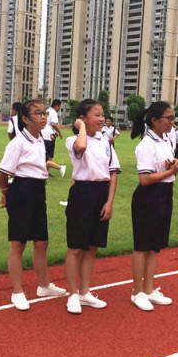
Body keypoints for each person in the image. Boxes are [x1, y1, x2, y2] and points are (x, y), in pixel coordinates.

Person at [0, 99, 67, 311]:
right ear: (25, 119)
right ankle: (17, 291)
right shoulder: (17, 143)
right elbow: (2, 173)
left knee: (41, 241)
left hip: (38, 191)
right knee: (18, 243)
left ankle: (44, 286)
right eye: (37, 113)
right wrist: (5, 194)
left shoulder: (40, 140)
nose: (43, 117)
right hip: (21, 190)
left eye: (44, 113)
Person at [64, 99, 120, 314]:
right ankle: (73, 294)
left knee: (92, 247)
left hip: (102, 193)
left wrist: (109, 202)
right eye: (97, 115)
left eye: (103, 114)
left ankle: (85, 292)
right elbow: (81, 147)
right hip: (82, 193)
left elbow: (113, 172)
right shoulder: (73, 140)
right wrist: (81, 128)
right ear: (83, 118)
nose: (102, 118)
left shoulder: (106, 140)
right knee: (76, 247)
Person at [130, 101, 178, 311]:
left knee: (154, 246)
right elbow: (144, 179)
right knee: (142, 246)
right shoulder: (146, 145)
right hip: (148, 197)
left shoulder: (166, 139)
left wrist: (172, 165)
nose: (172, 122)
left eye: (173, 118)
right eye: (169, 118)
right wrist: (170, 172)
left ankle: (149, 289)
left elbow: (164, 166)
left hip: (164, 194)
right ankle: (137, 292)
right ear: (155, 120)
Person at [41, 99, 66, 178]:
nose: (60, 108)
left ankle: (46, 172)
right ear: (56, 106)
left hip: (43, 133)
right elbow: (53, 124)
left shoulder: (47, 111)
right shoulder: (54, 113)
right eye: (60, 106)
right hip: (49, 135)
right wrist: (60, 132)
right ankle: (56, 169)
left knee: (46, 154)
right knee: (49, 155)